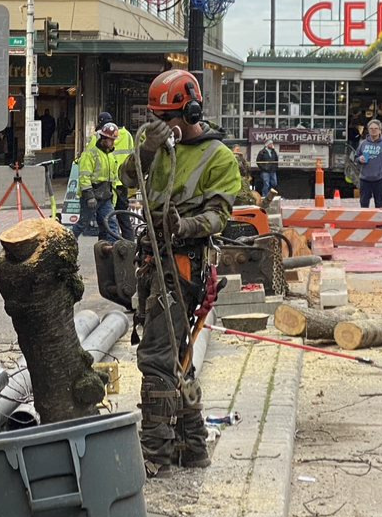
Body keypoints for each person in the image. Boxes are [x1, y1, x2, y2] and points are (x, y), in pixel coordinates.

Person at [118, 70, 242, 477]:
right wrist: (148, 151)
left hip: (184, 264)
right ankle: (193, 446)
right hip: (155, 259)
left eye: (164, 117)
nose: (157, 125)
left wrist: (184, 226)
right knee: (179, 357)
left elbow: (220, 215)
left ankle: (156, 453)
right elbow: (127, 178)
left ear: (189, 111)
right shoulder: (158, 147)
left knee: (157, 356)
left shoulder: (218, 157)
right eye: (153, 117)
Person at [90, 111, 137, 240]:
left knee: (105, 218)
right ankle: (129, 246)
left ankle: (106, 247)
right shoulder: (127, 135)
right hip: (122, 182)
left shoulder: (98, 136)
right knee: (123, 217)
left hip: (106, 183)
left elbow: (89, 157)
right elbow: (133, 158)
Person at [73, 123, 122, 242]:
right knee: (83, 223)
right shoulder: (90, 154)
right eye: (111, 140)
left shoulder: (109, 155)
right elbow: (84, 177)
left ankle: (112, 252)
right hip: (92, 196)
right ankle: (66, 242)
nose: (113, 143)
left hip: (105, 197)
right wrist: (89, 196)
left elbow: (111, 179)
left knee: (111, 224)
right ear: (104, 139)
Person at [354, 120, 382, 208]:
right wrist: (359, 159)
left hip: (380, 180)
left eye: (376, 128)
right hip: (365, 180)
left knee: (379, 206)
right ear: (368, 130)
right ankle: (365, 222)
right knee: (363, 205)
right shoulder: (363, 144)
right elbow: (355, 157)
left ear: (380, 130)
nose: (373, 130)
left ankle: (379, 222)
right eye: (371, 128)